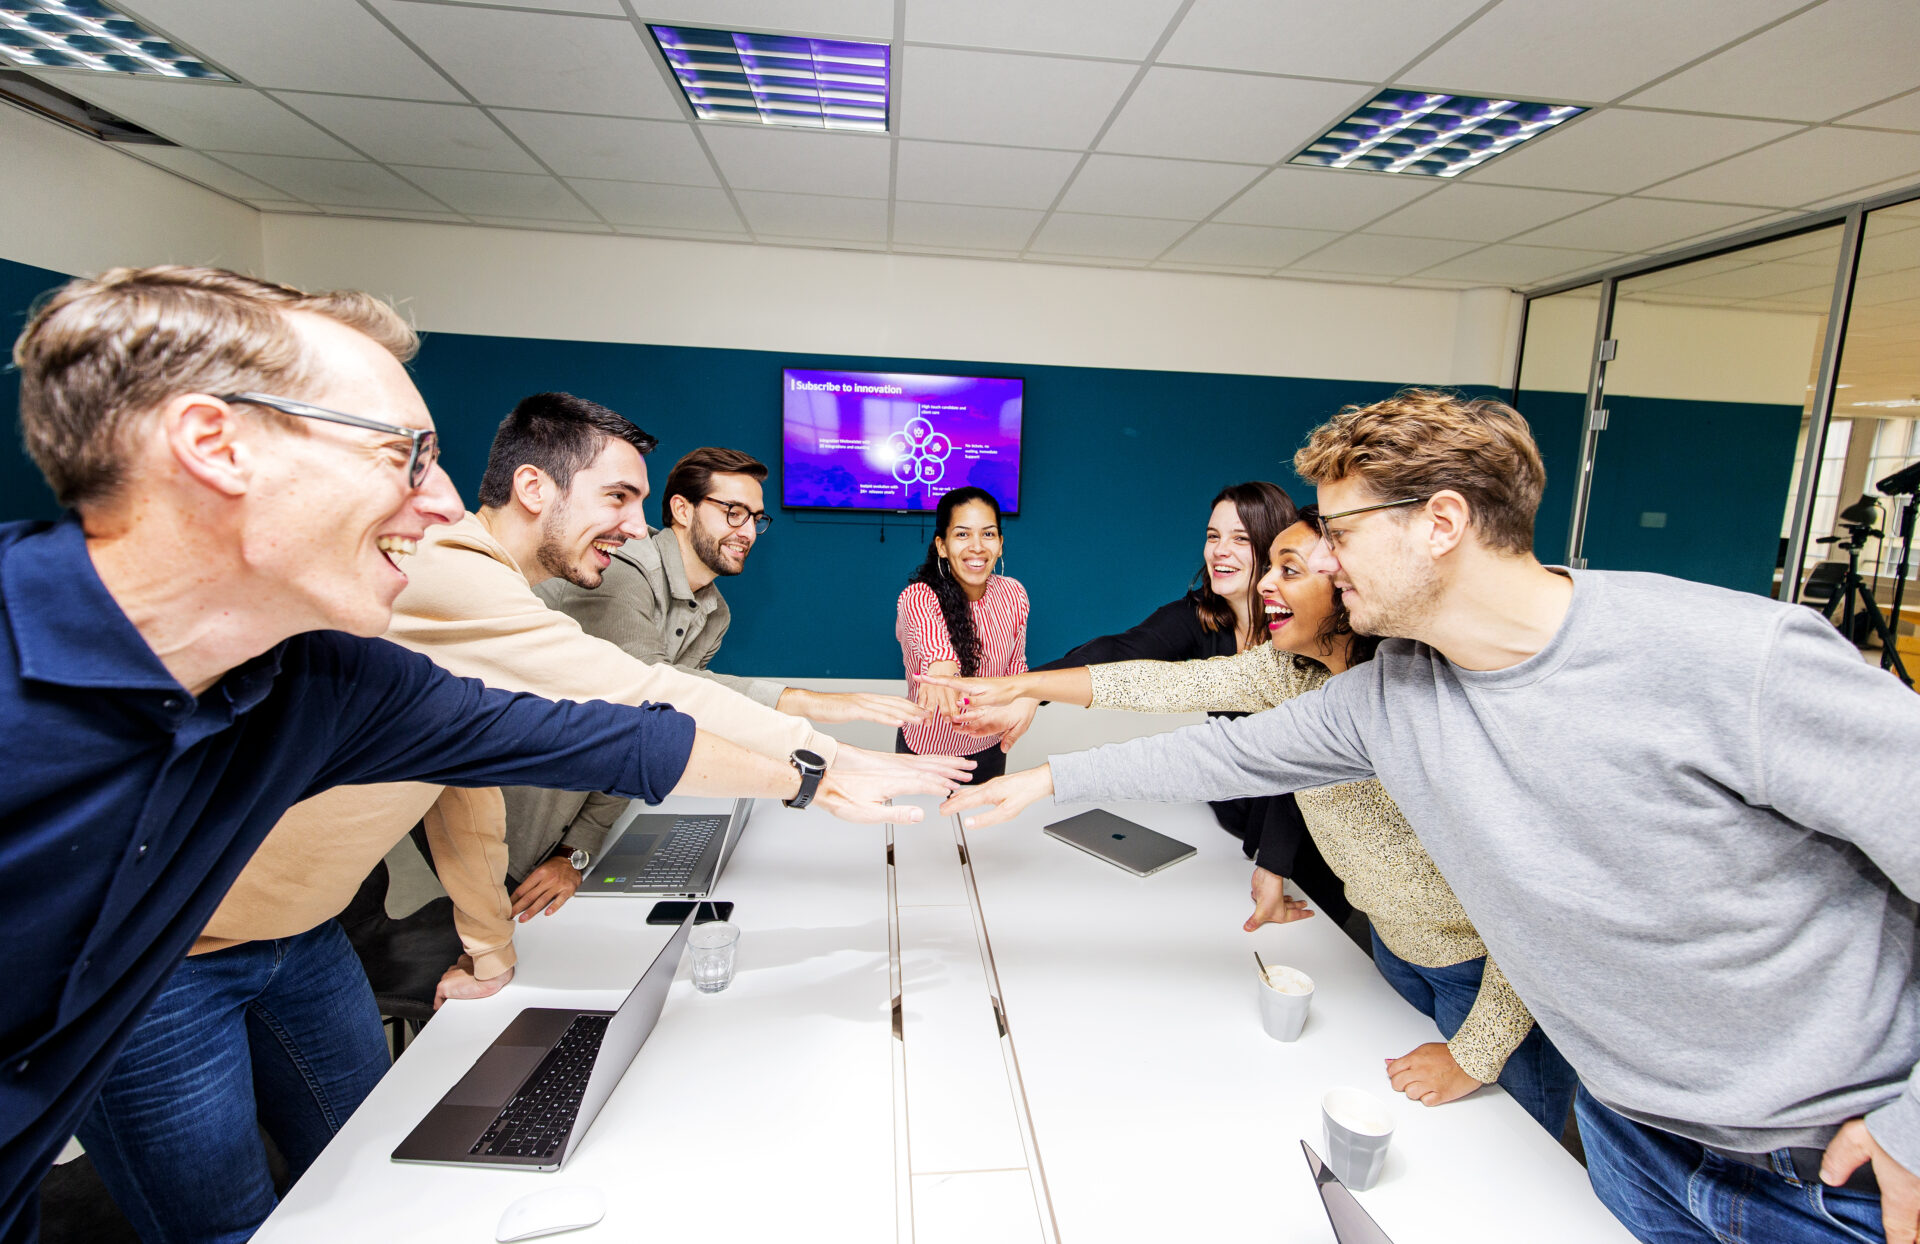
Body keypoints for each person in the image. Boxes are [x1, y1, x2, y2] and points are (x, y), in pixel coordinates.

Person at [0, 267, 944, 1244]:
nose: (443, 500)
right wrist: (820, 761)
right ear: (214, 444)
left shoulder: (328, 682)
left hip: (302, 937)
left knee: (377, 1185)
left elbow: (578, 736)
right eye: (404, 456)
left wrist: (810, 771)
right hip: (175, 981)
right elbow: (620, 690)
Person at [945, 389, 1920, 1244]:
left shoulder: (1725, 657)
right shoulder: (1394, 693)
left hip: (1832, 1175)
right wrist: (1044, 782)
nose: (1317, 559)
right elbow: (1227, 746)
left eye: (1341, 531)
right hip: (1630, 1137)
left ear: (1442, 521)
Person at [925, 509, 1576, 1135]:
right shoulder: (1290, 670)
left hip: (1491, 977)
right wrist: (1022, 688)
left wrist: (1474, 1055)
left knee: (1517, 1160)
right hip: (1396, 949)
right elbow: (1157, 685)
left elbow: (1540, 907)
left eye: (1289, 569)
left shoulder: (1424, 695)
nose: (1265, 581)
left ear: (1351, 583)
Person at [506, 445, 928, 914]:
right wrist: (810, 706)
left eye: (756, 518)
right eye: (733, 512)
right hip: (512, 824)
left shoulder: (714, 612)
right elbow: (650, 688)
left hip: (566, 833)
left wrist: (575, 850)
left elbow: (637, 737)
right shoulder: (621, 569)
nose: (747, 531)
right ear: (682, 510)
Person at [964, 481, 1349, 926]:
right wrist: (1028, 690)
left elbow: (1296, 761)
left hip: (1312, 844)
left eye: (1240, 539)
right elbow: (1130, 660)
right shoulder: (1210, 620)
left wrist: (1275, 861)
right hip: (1237, 819)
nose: (1220, 551)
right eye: (1212, 536)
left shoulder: (1329, 655)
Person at [897, 486, 1027, 783]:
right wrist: (944, 669)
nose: (977, 546)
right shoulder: (918, 597)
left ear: (1001, 544)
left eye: (988, 534)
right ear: (942, 546)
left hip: (990, 747)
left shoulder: (1014, 594)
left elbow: (1016, 667)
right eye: (963, 534)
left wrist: (1020, 705)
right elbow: (937, 652)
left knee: (982, 829)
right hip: (925, 752)